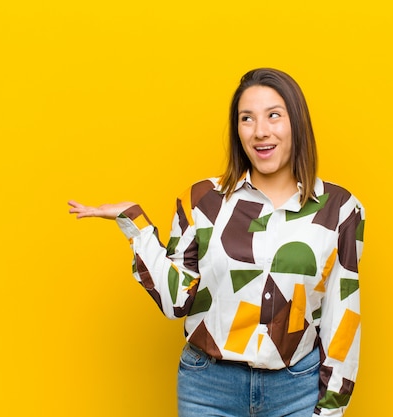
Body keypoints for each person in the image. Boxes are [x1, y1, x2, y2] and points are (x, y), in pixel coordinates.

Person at [68, 68, 365, 417]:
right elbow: (176, 300)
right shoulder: (203, 201)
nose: (260, 131)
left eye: (274, 115)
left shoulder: (340, 209)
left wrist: (331, 408)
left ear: (296, 122)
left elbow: (342, 314)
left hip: (296, 388)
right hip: (209, 388)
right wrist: (135, 225)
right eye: (247, 119)